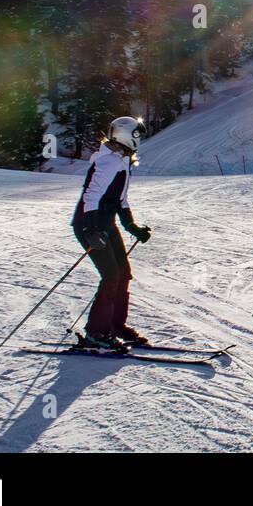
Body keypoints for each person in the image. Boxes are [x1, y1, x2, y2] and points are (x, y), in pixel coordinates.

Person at [72, 116, 152, 351]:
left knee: (123, 273)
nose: (140, 139)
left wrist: (132, 227)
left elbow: (121, 200)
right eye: (137, 135)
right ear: (125, 134)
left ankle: (115, 326)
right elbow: (91, 195)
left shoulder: (122, 161)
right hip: (90, 226)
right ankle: (97, 332)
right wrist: (91, 229)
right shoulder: (108, 162)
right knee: (111, 276)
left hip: (105, 226)